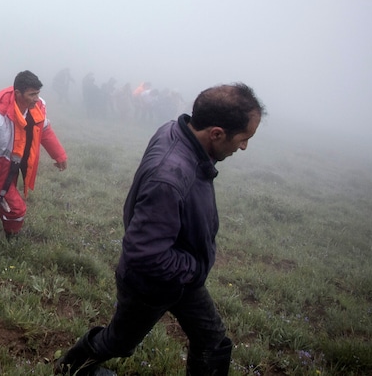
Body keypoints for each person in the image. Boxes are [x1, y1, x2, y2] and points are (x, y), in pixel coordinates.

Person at [54, 83, 266, 376]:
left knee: (213, 342)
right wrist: (194, 269)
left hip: (181, 276)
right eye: (243, 139)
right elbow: (145, 254)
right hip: (151, 284)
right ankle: (71, 368)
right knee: (119, 342)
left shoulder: (177, 131)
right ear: (216, 133)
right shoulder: (170, 178)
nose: (243, 146)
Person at [0, 70, 67, 239]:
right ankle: (12, 238)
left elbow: (44, 130)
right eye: (32, 94)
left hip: (11, 166)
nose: (36, 98)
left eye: (38, 93)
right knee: (17, 208)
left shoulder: (37, 107)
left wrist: (59, 155)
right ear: (18, 93)